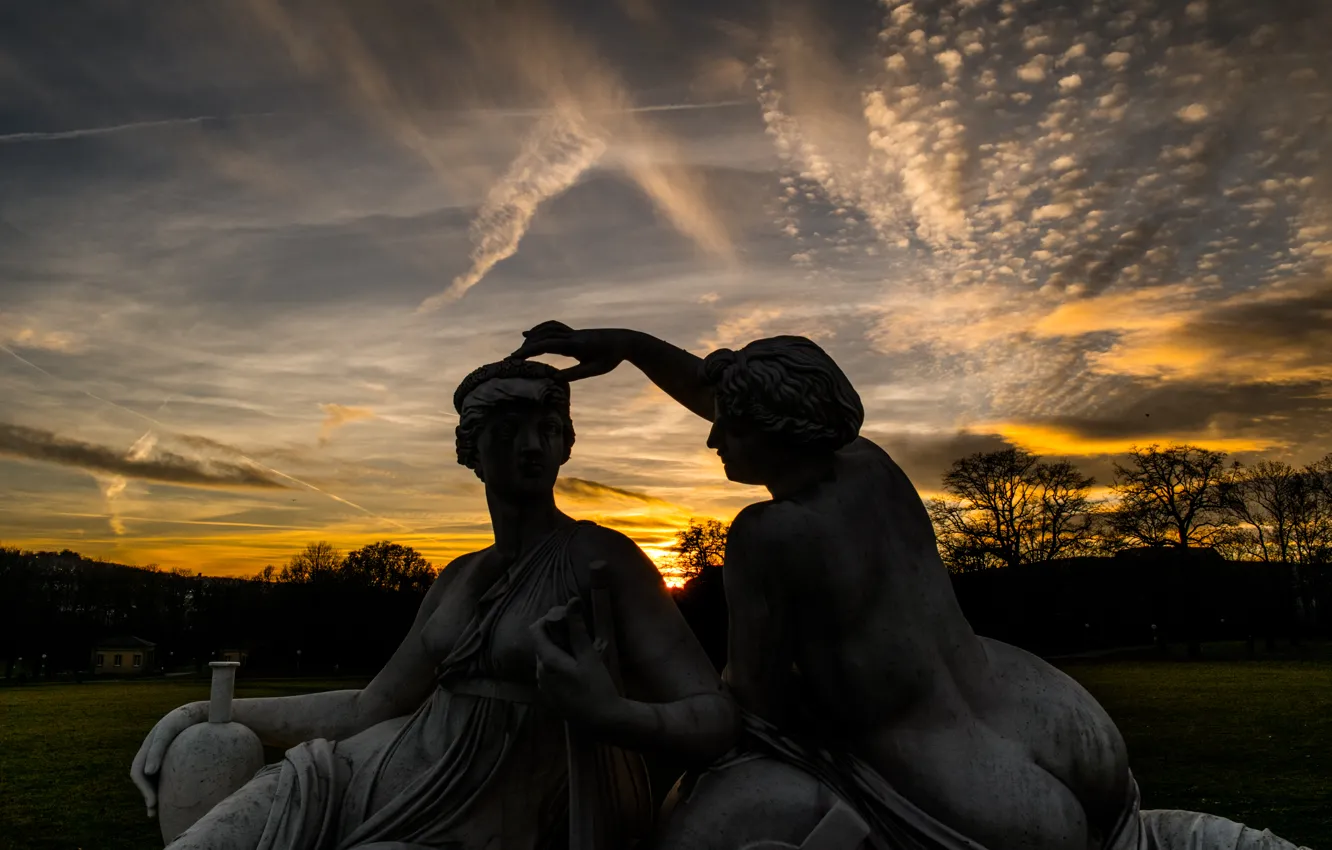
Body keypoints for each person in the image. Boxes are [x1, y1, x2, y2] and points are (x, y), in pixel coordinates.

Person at [512, 322, 1312, 850]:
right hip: (1052, 723)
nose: (714, 435)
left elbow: (745, 710)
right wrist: (627, 345)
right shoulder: (870, 466)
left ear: (775, 432)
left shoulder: (769, 535)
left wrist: (610, 708)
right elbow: (730, 392)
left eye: (730, 426)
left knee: (704, 822)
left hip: (970, 796)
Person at [130, 358, 736, 850]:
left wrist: (611, 714)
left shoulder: (602, 558)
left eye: (548, 430)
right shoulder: (458, 576)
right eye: (507, 432)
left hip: (492, 816)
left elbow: (713, 716)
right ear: (470, 450)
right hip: (375, 775)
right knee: (208, 785)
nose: (532, 446)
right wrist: (204, 708)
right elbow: (372, 705)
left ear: (566, 445)